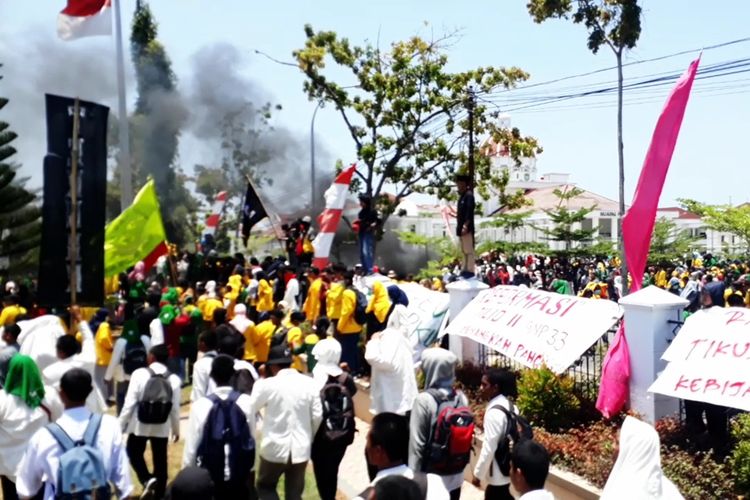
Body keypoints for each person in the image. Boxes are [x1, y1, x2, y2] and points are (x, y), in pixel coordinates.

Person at [16, 368, 133, 500]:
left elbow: (25, 490)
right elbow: (123, 482)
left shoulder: (43, 436)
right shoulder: (109, 425)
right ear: (90, 391)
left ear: (61, 394)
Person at [249, 344, 322, 500]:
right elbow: (317, 416)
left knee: (265, 487)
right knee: (294, 495)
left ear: (272, 365)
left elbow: (251, 407)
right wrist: (309, 436)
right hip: (301, 447)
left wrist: (261, 379)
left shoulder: (268, 384)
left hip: (274, 447)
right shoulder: (310, 383)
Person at [182, 355, 256, 500]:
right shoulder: (247, 402)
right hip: (238, 473)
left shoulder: (200, 406)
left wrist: (187, 473)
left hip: (209, 475)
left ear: (212, 376)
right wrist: (251, 470)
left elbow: (191, 447)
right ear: (233, 375)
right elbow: (251, 439)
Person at [119, 344, 181, 499]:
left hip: (140, 423)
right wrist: (176, 429)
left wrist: (120, 425)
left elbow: (129, 402)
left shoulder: (139, 374)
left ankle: (146, 479)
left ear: (151, 357)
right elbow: (174, 408)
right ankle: (159, 493)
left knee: (133, 452)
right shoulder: (174, 379)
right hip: (162, 423)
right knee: (160, 459)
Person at [0, 355, 62, 500]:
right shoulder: (49, 395)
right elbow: (59, 421)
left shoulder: (3, 399)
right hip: (41, 467)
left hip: (10, 469)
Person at [409, 348, 468, 499]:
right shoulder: (461, 398)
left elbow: (417, 446)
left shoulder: (424, 400)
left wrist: (413, 483)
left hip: (431, 481)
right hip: (456, 476)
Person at [355, 412, 449, 500]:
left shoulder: (363, 498)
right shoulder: (433, 484)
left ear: (378, 452)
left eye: (367, 440)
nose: (366, 446)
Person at [309, 337, 357, 500]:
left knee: (321, 473)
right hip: (342, 434)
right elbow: (353, 393)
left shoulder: (317, 375)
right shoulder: (345, 378)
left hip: (320, 435)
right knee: (332, 471)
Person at [601, 416, 683, 499]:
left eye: (618, 443)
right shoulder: (669, 492)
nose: (612, 446)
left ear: (633, 448)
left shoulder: (621, 491)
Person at [43, 308, 105, 414]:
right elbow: (88, 338)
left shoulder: (49, 372)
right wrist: (79, 318)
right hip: (92, 411)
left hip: (64, 414)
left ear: (60, 352)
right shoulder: (88, 359)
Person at [472, 369, 520, 500]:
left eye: (484, 385)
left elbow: (490, 446)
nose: (481, 388)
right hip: (509, 464)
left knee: (495, 494)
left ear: (495, 388)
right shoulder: (511, 406)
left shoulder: (494, 412)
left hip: (497, 470)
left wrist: (478, 474)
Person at [364, 301, 418, 416]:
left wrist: (373, 341)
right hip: (402, 403)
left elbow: (377, 359)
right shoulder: (404, 340)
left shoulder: (391, 336)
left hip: (390, 404)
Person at [105, 319, 153, 415]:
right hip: (142, 373)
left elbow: (114, 360)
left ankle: (121, 417)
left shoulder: (121, 341)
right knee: (139, 396)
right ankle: (139, 416)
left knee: (121, 395)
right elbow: (151, 356)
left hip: (124, 375)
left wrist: (107, 377)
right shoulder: (145, 339)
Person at [338, 271, 363, 375]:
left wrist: (340, 326)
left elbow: (346, 311)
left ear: (346, 280)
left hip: (348, 327)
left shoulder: (347, 293)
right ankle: (356, 370)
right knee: (354, 350)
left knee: (347, 352)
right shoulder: (355, 290)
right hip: (357, 325)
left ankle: (350, 372)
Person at [455, 174, 476, 277]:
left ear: (464, 183)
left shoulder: (469, 196)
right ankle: (464, 269)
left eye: (459, 182)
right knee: (463, 250)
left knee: (469, 250)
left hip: (466, 228)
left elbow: (469, 211)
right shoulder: (461, 197)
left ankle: (470, 270)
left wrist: (466, 225)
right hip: (460, 228)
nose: (458, 185)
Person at [92, 308, 114, 404]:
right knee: (103, 380)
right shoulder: (104, 325)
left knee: (100, 380)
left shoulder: (96, 324)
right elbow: (104, 338)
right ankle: (104, 399)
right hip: (103, 357)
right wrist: (110, 347)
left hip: (100, 357)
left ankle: (104, 398)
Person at [190, 330, 218, 403]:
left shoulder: (200, 365)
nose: (197, 344)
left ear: (203, 344)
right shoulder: (222, 361)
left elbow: (198, 391)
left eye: (198, 342)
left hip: (207, 406)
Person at [357, 195, 379, 273]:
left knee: (366, 251)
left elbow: (378, 221)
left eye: (361, 202)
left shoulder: (372, 211)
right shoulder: (361, 213)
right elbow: (360, 222)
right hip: (361, 233)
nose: (360, 203)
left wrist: (373, 225)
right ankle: (365, 269)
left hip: (368, 233)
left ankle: (370, 269)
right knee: (361, 253)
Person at [0, 323, 21, 388]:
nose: (2, 334)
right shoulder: (20, 347)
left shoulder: (5, 354)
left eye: (3, 332)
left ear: (8, 335)